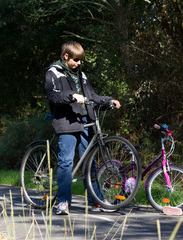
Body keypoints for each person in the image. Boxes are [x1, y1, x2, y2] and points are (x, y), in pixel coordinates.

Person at [45, 41, 121, 215]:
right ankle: (63, 202)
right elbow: (53, 95)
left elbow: (91, 96)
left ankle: (95, 201)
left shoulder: (81, 75)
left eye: (81, 60)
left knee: (90, 163)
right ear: (66, 56)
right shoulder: (53, 72)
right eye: (76, 60)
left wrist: (109, 100)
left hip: (85, 121)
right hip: (67, 122)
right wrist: (72, 96)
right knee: (66, 162)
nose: (79, 63)